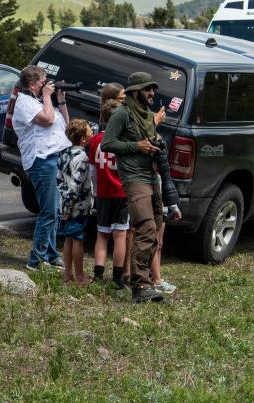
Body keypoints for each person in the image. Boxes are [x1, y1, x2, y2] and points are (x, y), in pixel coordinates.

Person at [100, 72, 182, 303]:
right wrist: (137, 146)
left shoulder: (146, 115)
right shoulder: (121, 114)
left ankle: (146, 281)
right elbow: (107, 143)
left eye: (153, 89)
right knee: (145, 229)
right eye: (147, 89)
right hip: (135, 179)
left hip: (152, 177)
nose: (152, 93)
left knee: (155, 229)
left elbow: (151, 142)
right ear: (135, 91)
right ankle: (140, 286)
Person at [11, 65, 70, 272]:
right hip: (41, 160)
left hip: (54, 158)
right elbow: (47, 120)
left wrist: (60, 101)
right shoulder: (25, 102)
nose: (47, 85)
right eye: (44, 81)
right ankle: (35, 260)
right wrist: (47, 97)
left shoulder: (40, 102)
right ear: (34, 84)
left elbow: (64, 126)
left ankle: (52, 254)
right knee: (48, 212)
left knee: (55, 210)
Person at [89, 84, 129, 288]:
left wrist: (94, 190)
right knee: (120, 234)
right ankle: (118, 276)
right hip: (122, 192)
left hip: (103, 193)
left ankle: (98, 273)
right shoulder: (124, 141)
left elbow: (93, 170)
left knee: (102, 234)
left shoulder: (95, 141)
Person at [57, 119, 94, 287]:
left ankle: (68, 275)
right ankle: (80, 277)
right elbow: (75, 186)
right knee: (78, 239)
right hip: (76, 207)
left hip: (64, 203)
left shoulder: (63, 153)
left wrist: (63, 203)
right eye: (89, 131)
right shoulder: (83, 158)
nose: (92, 132)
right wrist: (68, 206)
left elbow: (59, 180)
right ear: (83, 139)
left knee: (68, 239)